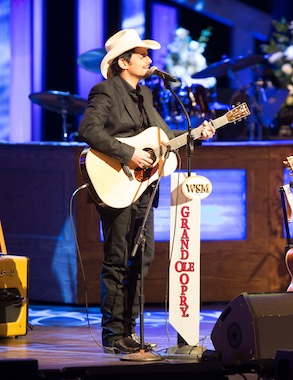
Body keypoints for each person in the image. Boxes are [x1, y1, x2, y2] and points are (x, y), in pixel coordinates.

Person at [78, 29, 216, 354]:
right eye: (141, 55)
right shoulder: (106, 91)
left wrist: (197, 133)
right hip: (116, 182)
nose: (149, 60)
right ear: (123, 61)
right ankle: (113, 335)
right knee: (117, 259)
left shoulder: (146, 96)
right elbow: (88, 129)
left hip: (144, 188)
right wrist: (128, 154)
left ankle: (130, 331)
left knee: (142, 258)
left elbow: (165, 139)